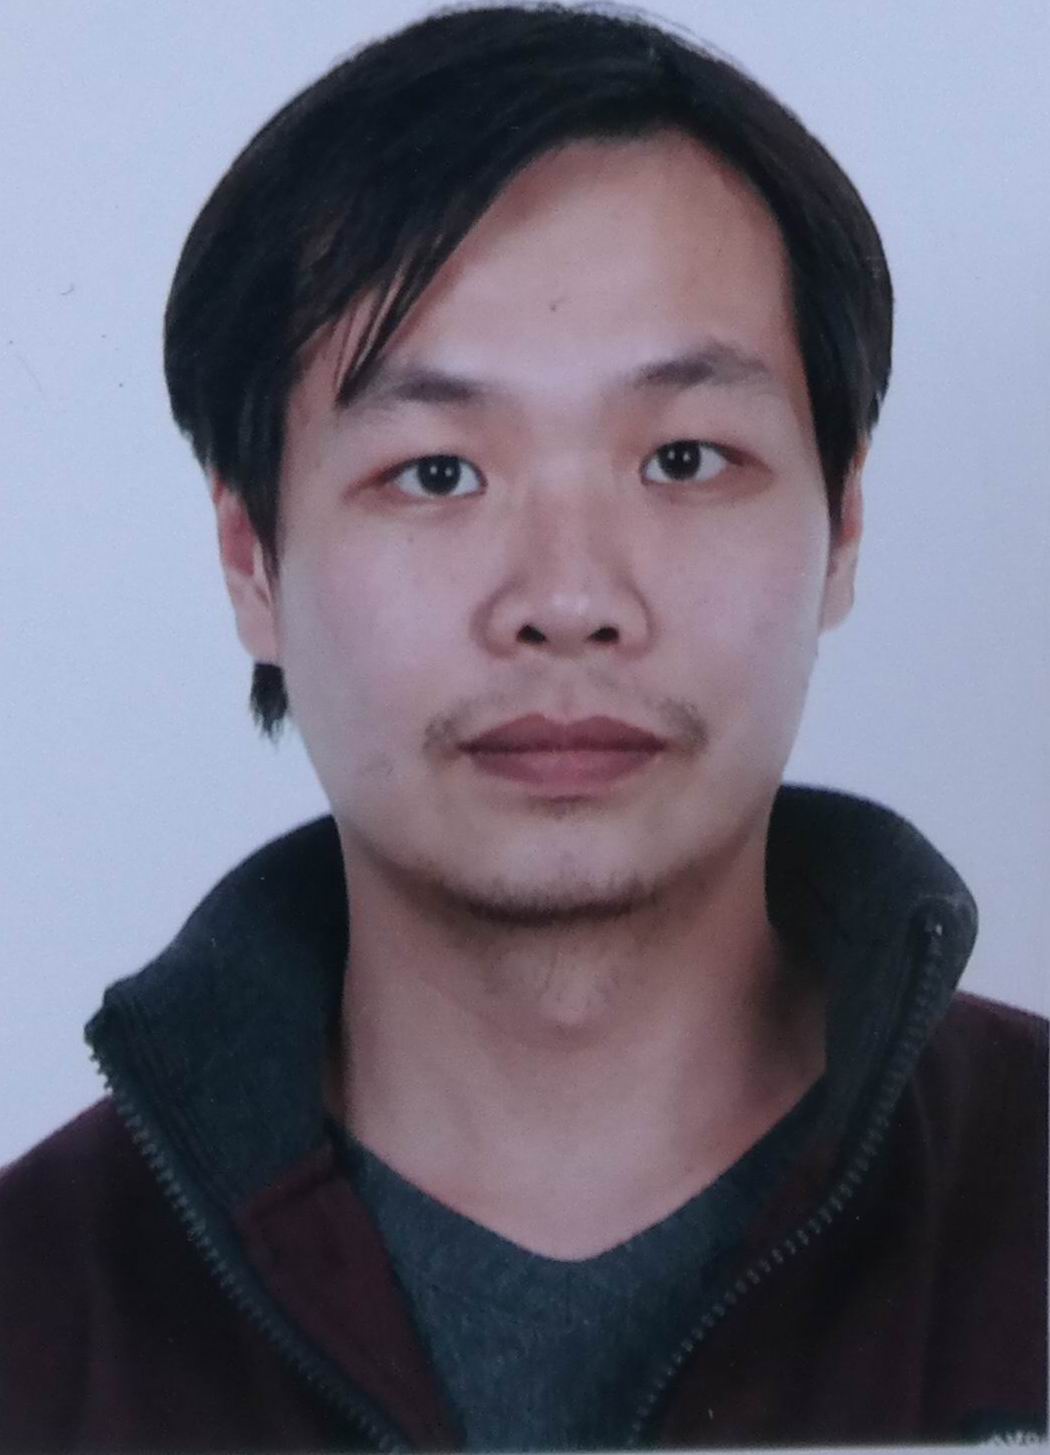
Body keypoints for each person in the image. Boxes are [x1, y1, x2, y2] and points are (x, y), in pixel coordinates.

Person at [1, 4, 1045, 1449]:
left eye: (685, 459)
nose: (566, 601)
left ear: (843, 528)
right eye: (436, 473)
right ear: (252, 562)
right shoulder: (35, 1322)